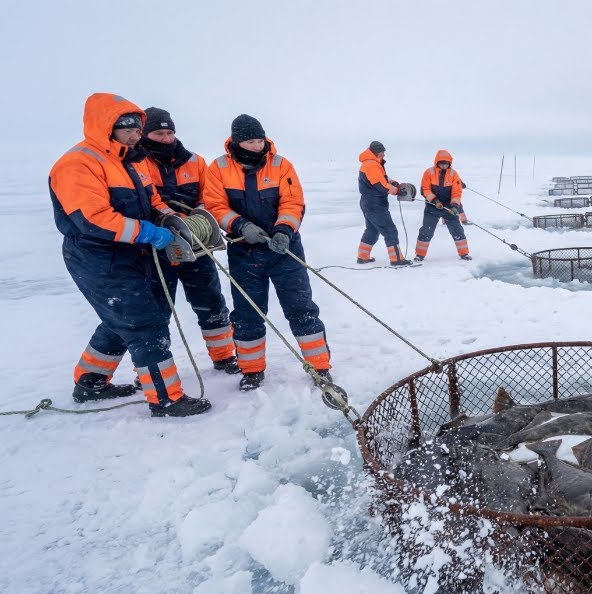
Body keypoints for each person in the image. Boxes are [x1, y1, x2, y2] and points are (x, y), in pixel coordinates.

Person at [49, 93, 210, 417]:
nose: (137, 134)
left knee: (118, 318)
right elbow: (93, 219)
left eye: (138, 128)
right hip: (97, 256)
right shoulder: (78, 163)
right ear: (108, 127)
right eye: (129, 128)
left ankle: (90, 382)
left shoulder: (131, 162)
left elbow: (152, 201)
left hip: (133, 253)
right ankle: (165, 399)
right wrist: (151, 232)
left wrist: (168, 218)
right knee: (143, 322)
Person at [201, 114, 335, 393]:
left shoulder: (281, 165)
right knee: (248, 313)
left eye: (260, 140)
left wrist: (284, 230)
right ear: (237, 141)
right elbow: (215, 205)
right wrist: (240, 225)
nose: (256, 146)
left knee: (301, 309)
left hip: (283, 250)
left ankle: (320, 366)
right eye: (250, 141)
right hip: (244, 252)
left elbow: (293, 201)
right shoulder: (219, 168)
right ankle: (251, 370)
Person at [133, 107, 240, 374]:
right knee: (155, 310)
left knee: (211, 301)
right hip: (155, 250)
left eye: (170, 132)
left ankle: (224, 356)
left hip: (196, 246)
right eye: (159, 133)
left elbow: (209, 198)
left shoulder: (195, 161)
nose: (167, 138)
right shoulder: (134, 163)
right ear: (145, 134)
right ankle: (154, 370)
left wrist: (198, 219)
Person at [356, 140, 409, 266]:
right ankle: (397, 259)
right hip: (374, 203)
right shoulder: (371, 165)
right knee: (390, 230)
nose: (383, 155)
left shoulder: (372, 163)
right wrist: (397, 191)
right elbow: (380, 185)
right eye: (381, 153)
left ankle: (362, 256)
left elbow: (383, 178)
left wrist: (393, 182)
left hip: (369, 202)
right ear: (375, 152)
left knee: (372, 230)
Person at [414, 150, 469, 262]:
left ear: (450, 163)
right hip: (432, 207)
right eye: (442, 162)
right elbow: (425, 189)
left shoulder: (454, 174)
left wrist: (454, 206)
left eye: (446, 163)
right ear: (437, 162)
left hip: (448, 207)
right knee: (426, 231)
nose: (444, 165)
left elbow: (456, 192)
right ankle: (419, 255)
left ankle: (464, 254)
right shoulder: (429, 172)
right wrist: (435, 201)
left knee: (457, 230)